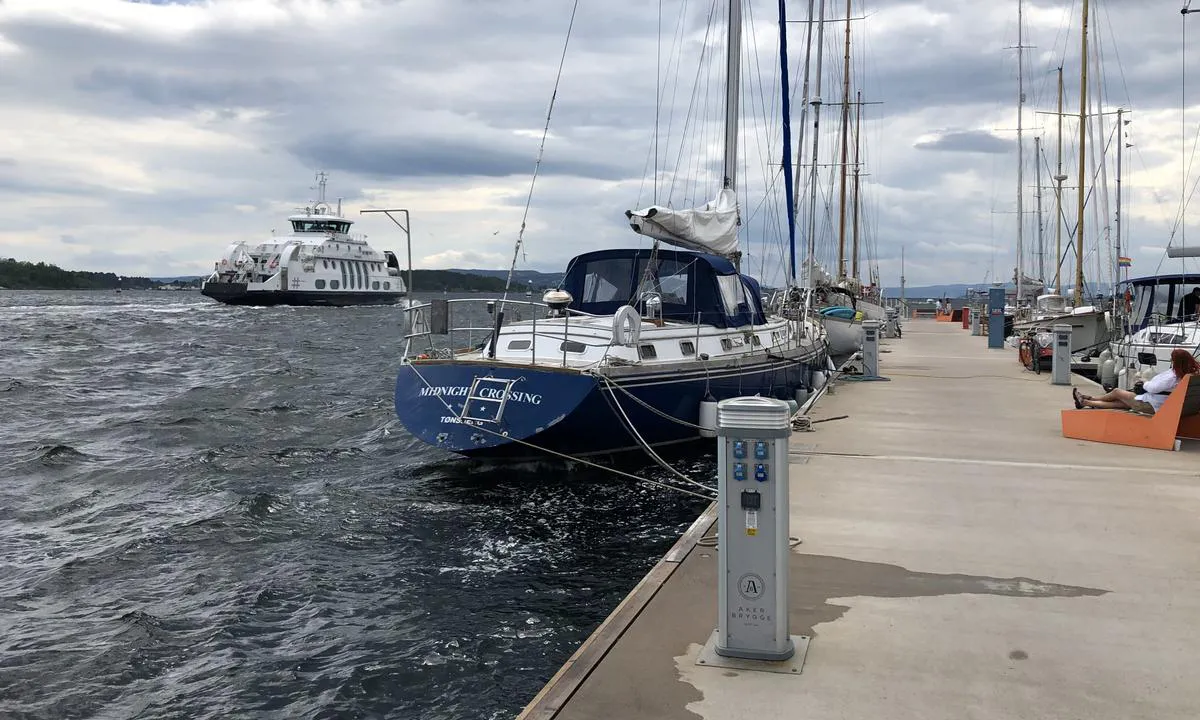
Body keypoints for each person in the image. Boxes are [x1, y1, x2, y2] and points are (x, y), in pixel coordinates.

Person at [1073, 349, 1200, 413]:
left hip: (1153, 405)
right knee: (1121, 403)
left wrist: (1144, 381)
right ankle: (1085, 401)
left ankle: (1090, 399)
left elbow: (1153, 388)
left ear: (1176, 362)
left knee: (1117, 392)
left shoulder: (1173, 377)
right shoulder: (1188, 374)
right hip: (1168, 405)